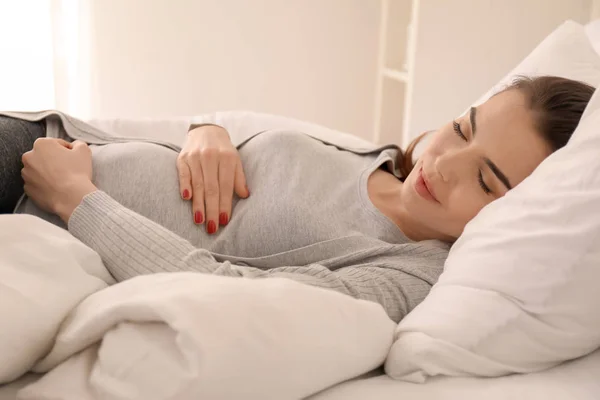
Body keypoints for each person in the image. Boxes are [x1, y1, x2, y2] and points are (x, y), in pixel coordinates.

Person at [2, 76, 595, 323]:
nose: (443, 163)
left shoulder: (410, 276)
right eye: (464, 128)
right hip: (43, 137)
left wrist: (76, 197)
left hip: (36, 208)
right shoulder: (383, 158)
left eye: (487, 180)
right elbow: (244, 145)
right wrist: (206, 131)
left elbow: (221, 288)